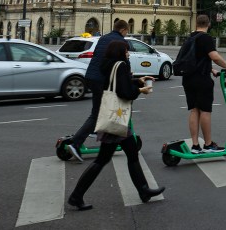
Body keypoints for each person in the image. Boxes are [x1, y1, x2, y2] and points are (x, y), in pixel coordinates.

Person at [67, 40, 163, 210]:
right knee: (104, 159)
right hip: (117, 120)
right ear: (120, 51)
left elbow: (119, 85)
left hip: (116, 120)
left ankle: (143, 190)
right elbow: (124, 92)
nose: (128, 53)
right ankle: (76, 196)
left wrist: (139, 81)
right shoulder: (121, 65)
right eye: (126, 50)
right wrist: (142, 90)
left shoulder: (109, 65)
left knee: (130, 154)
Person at [67, 20, 128, 162]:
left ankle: (98, 131)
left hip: (91, 76)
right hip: (101, 80)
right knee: (98, 114)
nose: (126, 34)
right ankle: (76, 143)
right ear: (123, 30)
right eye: (126, 31)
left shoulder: (104, 37)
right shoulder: (121, 42)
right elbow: (123, 64)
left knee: (99, 110)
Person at [181, 14, 226, 153]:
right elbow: (214, 56)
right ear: (208, 24)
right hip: (201, 80)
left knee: (194, 109)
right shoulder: (205, 38)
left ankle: (195, 145)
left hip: (188, 78)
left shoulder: (190, 38)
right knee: (205, 110)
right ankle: (208, 144)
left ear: (196, 24)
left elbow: (194, 59)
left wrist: (211, 70)